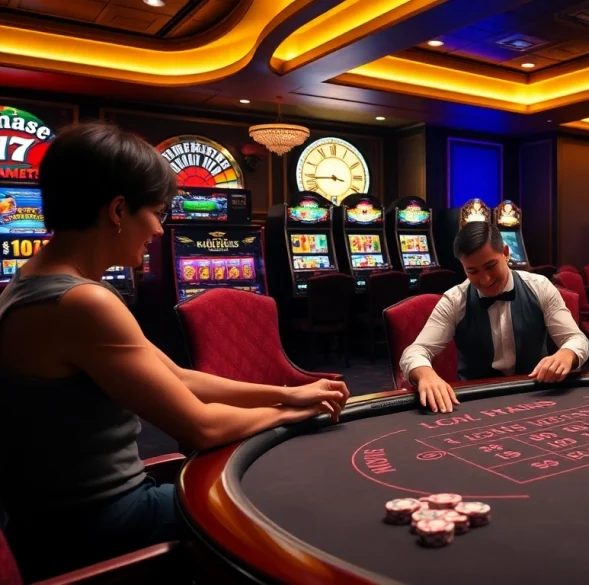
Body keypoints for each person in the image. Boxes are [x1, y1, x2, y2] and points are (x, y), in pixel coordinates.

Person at [0, 121, 349, 581]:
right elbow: (202, 427)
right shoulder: (82, 302)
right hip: (97, 526)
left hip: (53, 520)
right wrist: (294, 413)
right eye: (158, 213)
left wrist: (287, 393)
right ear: (119, 210)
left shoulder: (32, 283)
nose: (161, 230)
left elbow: (181, 378)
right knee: (293, 499)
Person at [399, 221, 589, 413]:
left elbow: (576, 338)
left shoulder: (540, 286)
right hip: (476, 401)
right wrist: (425, 374)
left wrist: (567, 354)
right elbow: (414, 351)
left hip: (536, 395)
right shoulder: (454, 300)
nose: (485, 279)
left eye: (491, 266)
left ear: (506, 253)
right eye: (472, 271)